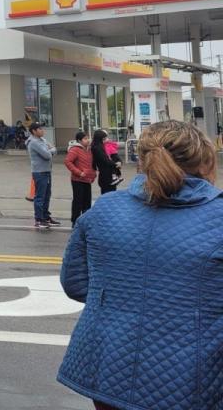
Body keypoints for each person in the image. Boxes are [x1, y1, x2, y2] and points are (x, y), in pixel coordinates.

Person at [57, 120, 221, 410]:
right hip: (194, 374)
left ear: (142, 159)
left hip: (108, 365)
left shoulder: (105, 209)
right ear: (205, 159)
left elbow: (76, 284)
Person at [26, 121, 57, 228]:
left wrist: (51, 149)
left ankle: (45, 216)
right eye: (39, 129)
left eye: (42, 128)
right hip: (39, 172)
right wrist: (51, 150)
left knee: (47, 195)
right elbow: (47, 155)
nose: (42, 130)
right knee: (40, 196)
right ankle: (39, 219)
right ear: (34, 131)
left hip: (47, 171)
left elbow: (53, 148)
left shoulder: (42, 140)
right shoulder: (34, 142)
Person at [64, 131, 95, 226]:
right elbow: (68, 162)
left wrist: (93, 175)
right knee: (78, 201)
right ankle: (75, 221)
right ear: (79, 140)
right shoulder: (75, 149)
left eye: (88, 138)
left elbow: (91, 164)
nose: (88, 140)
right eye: (85, 139)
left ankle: (85, 220)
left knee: (87, 201)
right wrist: (79, 172)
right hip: (77, 180)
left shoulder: (89, 150)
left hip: (87, 179)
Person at [90, 129, 122, 194]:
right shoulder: (97, 148)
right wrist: (116, 164)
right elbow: (105, 160)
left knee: (111, 191)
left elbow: (115, 156)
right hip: (105, 175)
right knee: (107, 192)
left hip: (109, 173)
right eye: (104, 139)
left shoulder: (100, 146)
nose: (106, 140)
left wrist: (119, 162)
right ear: (99, 139)